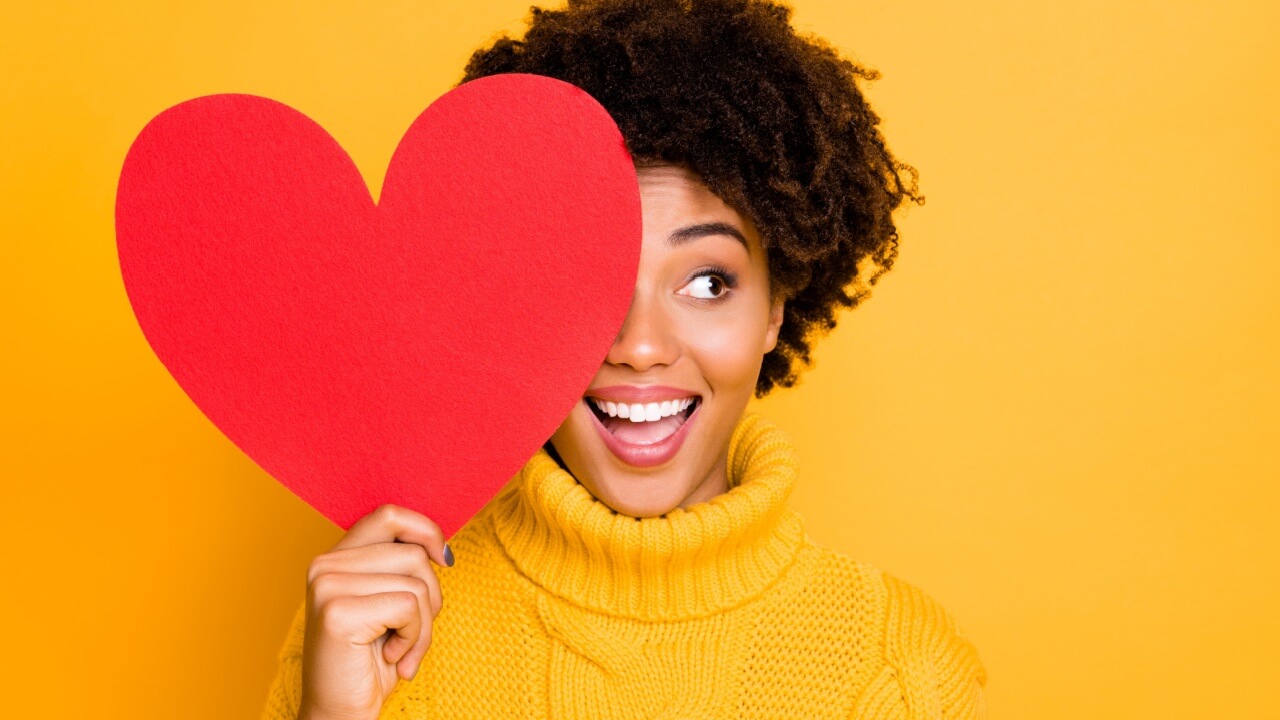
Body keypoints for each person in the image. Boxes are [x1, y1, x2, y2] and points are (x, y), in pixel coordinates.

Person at [260, 1, 987, 718]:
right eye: (587, 283)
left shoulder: (898, 669)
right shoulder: (370, 633)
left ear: (775, 309)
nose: (640, 347)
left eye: (708, 283)